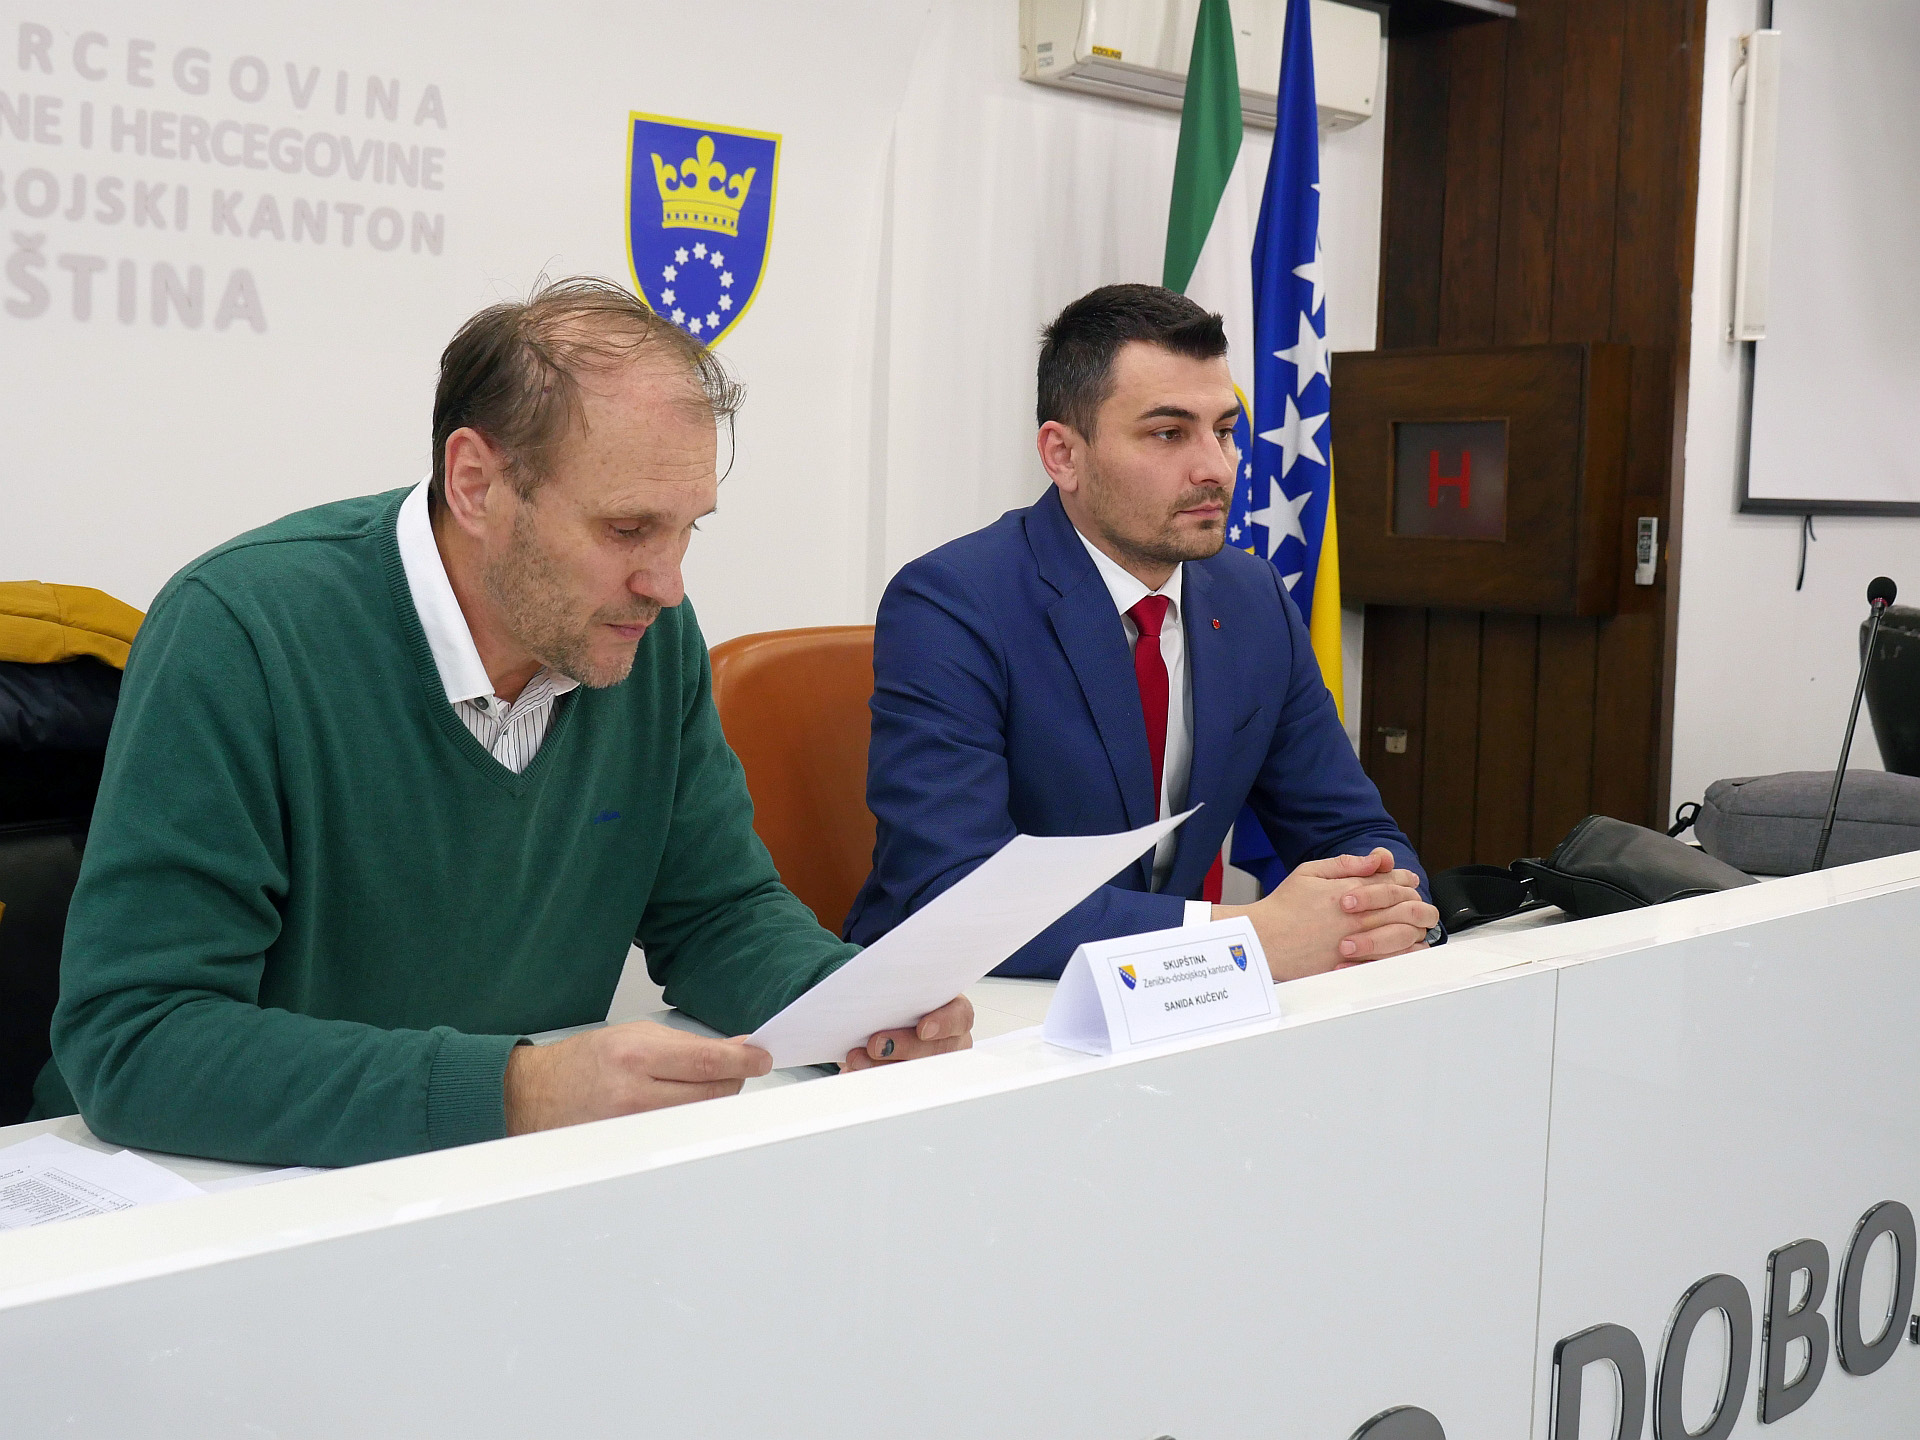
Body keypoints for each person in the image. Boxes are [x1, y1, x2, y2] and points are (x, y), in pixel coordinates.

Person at [37, 277, 971, 1167]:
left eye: (690, 527)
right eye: (627, 529)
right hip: (213, 1193)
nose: (667, 583)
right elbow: (136, 1042)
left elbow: (717, 914)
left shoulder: (642, 635)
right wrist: (517, 1090)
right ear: (476, 483)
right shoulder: (242, 631)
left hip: (498, 1185)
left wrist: (852, 1009)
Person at [845, 283, 1435, 980]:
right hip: (966, 1005)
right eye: (1168, 434)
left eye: (1224, 430)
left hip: (1172, 1007)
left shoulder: (1252, 598)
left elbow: (1349, 829)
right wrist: (1243, 937)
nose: (1216, 467)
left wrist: (1385, 912)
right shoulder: (952, 602)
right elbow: (956, 891)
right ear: (1063, 455)